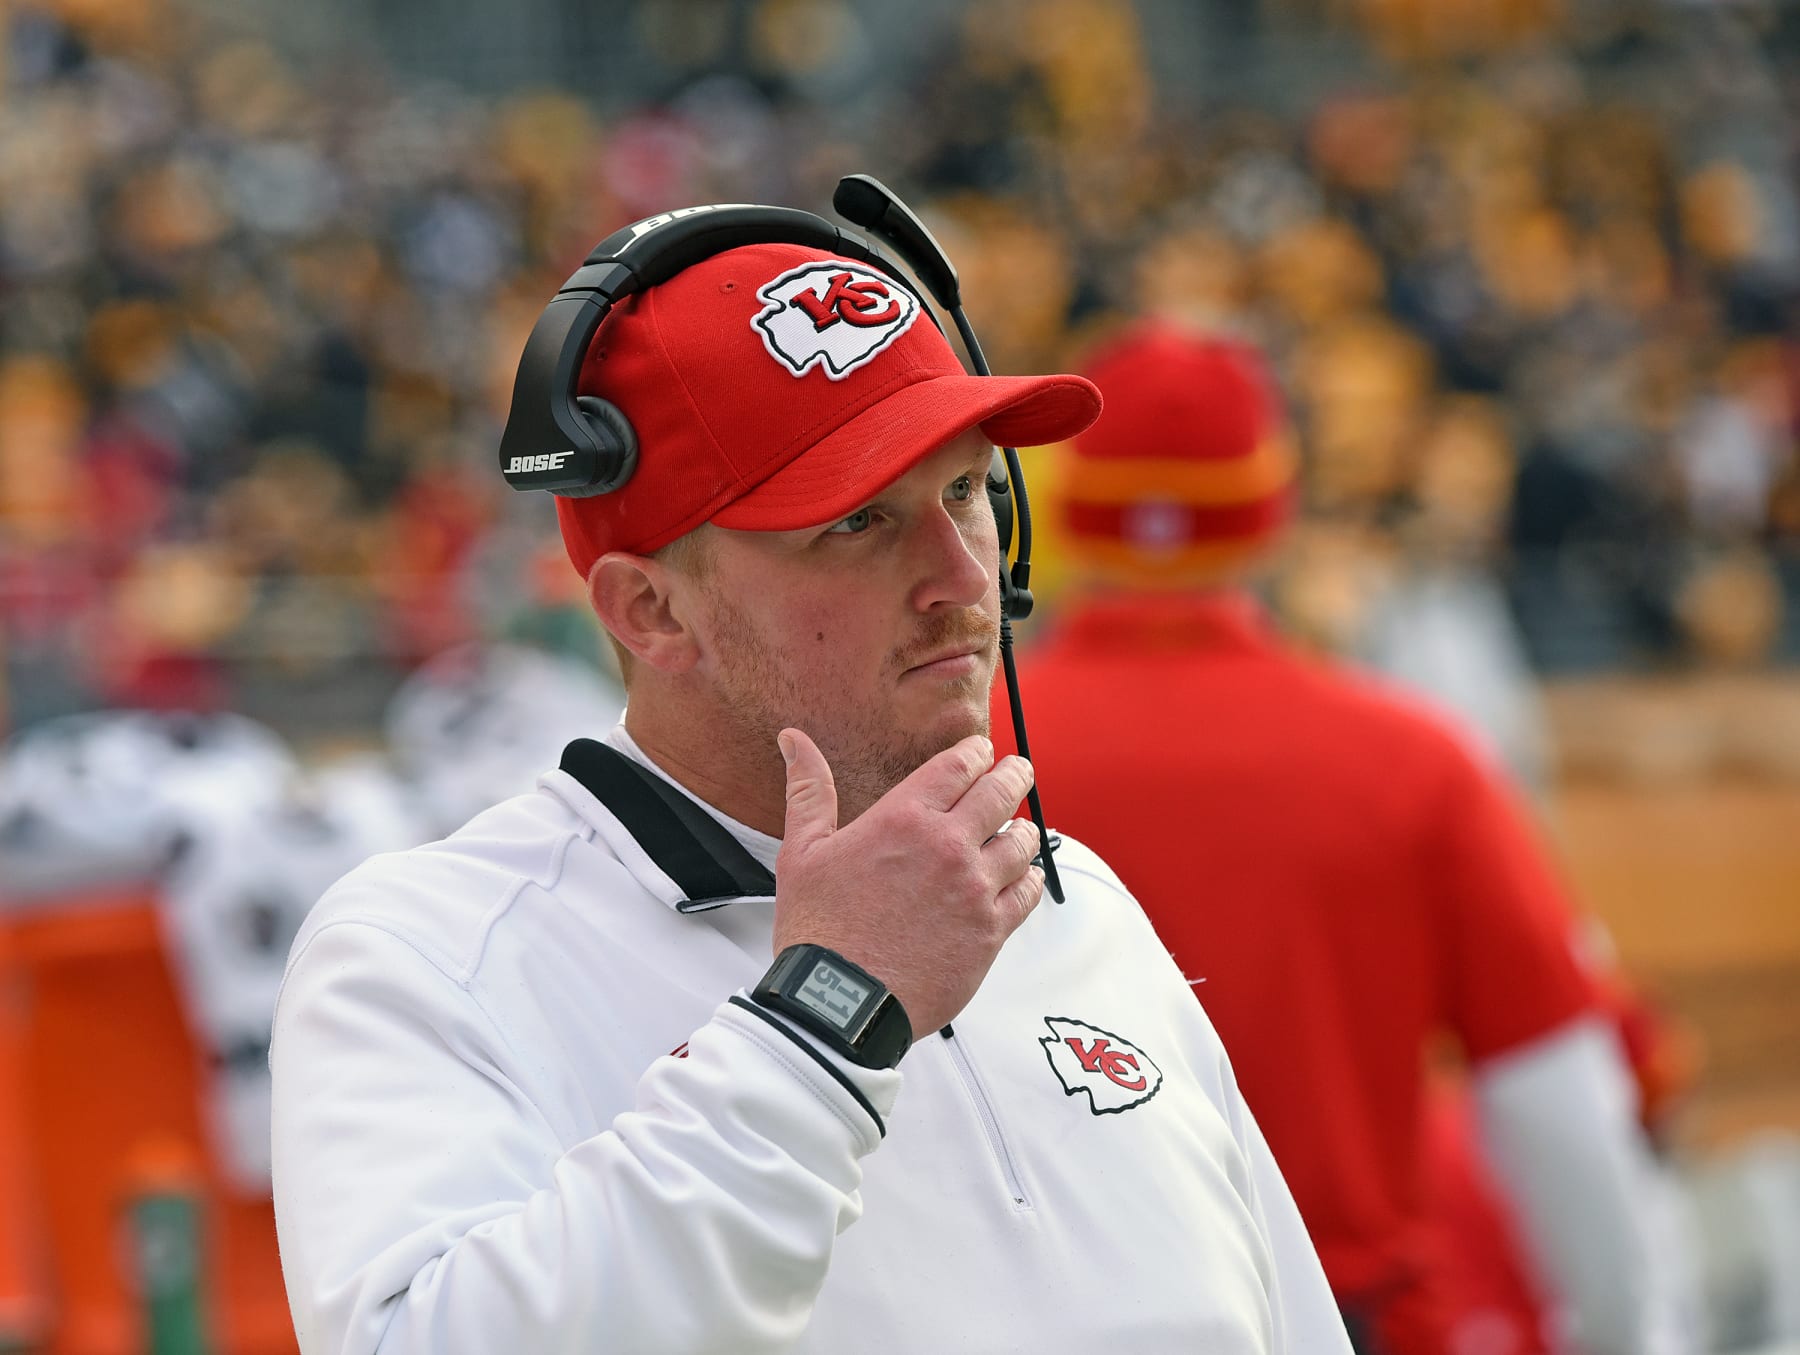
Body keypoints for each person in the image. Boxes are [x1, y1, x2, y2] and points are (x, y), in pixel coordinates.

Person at [268, 223, 1353, 1353]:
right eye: (858, 521)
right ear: (651, 610)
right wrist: (824, 1019)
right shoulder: (425, 952)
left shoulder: (1074, 898)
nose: (962, 576)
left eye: (969, 490)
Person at [996, 320, 1686, 1355]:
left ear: (1072, 512)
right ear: (1272, 511)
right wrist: (1632, 1329)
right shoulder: (1412, 762)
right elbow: (1564, 1114)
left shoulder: (960, 755)